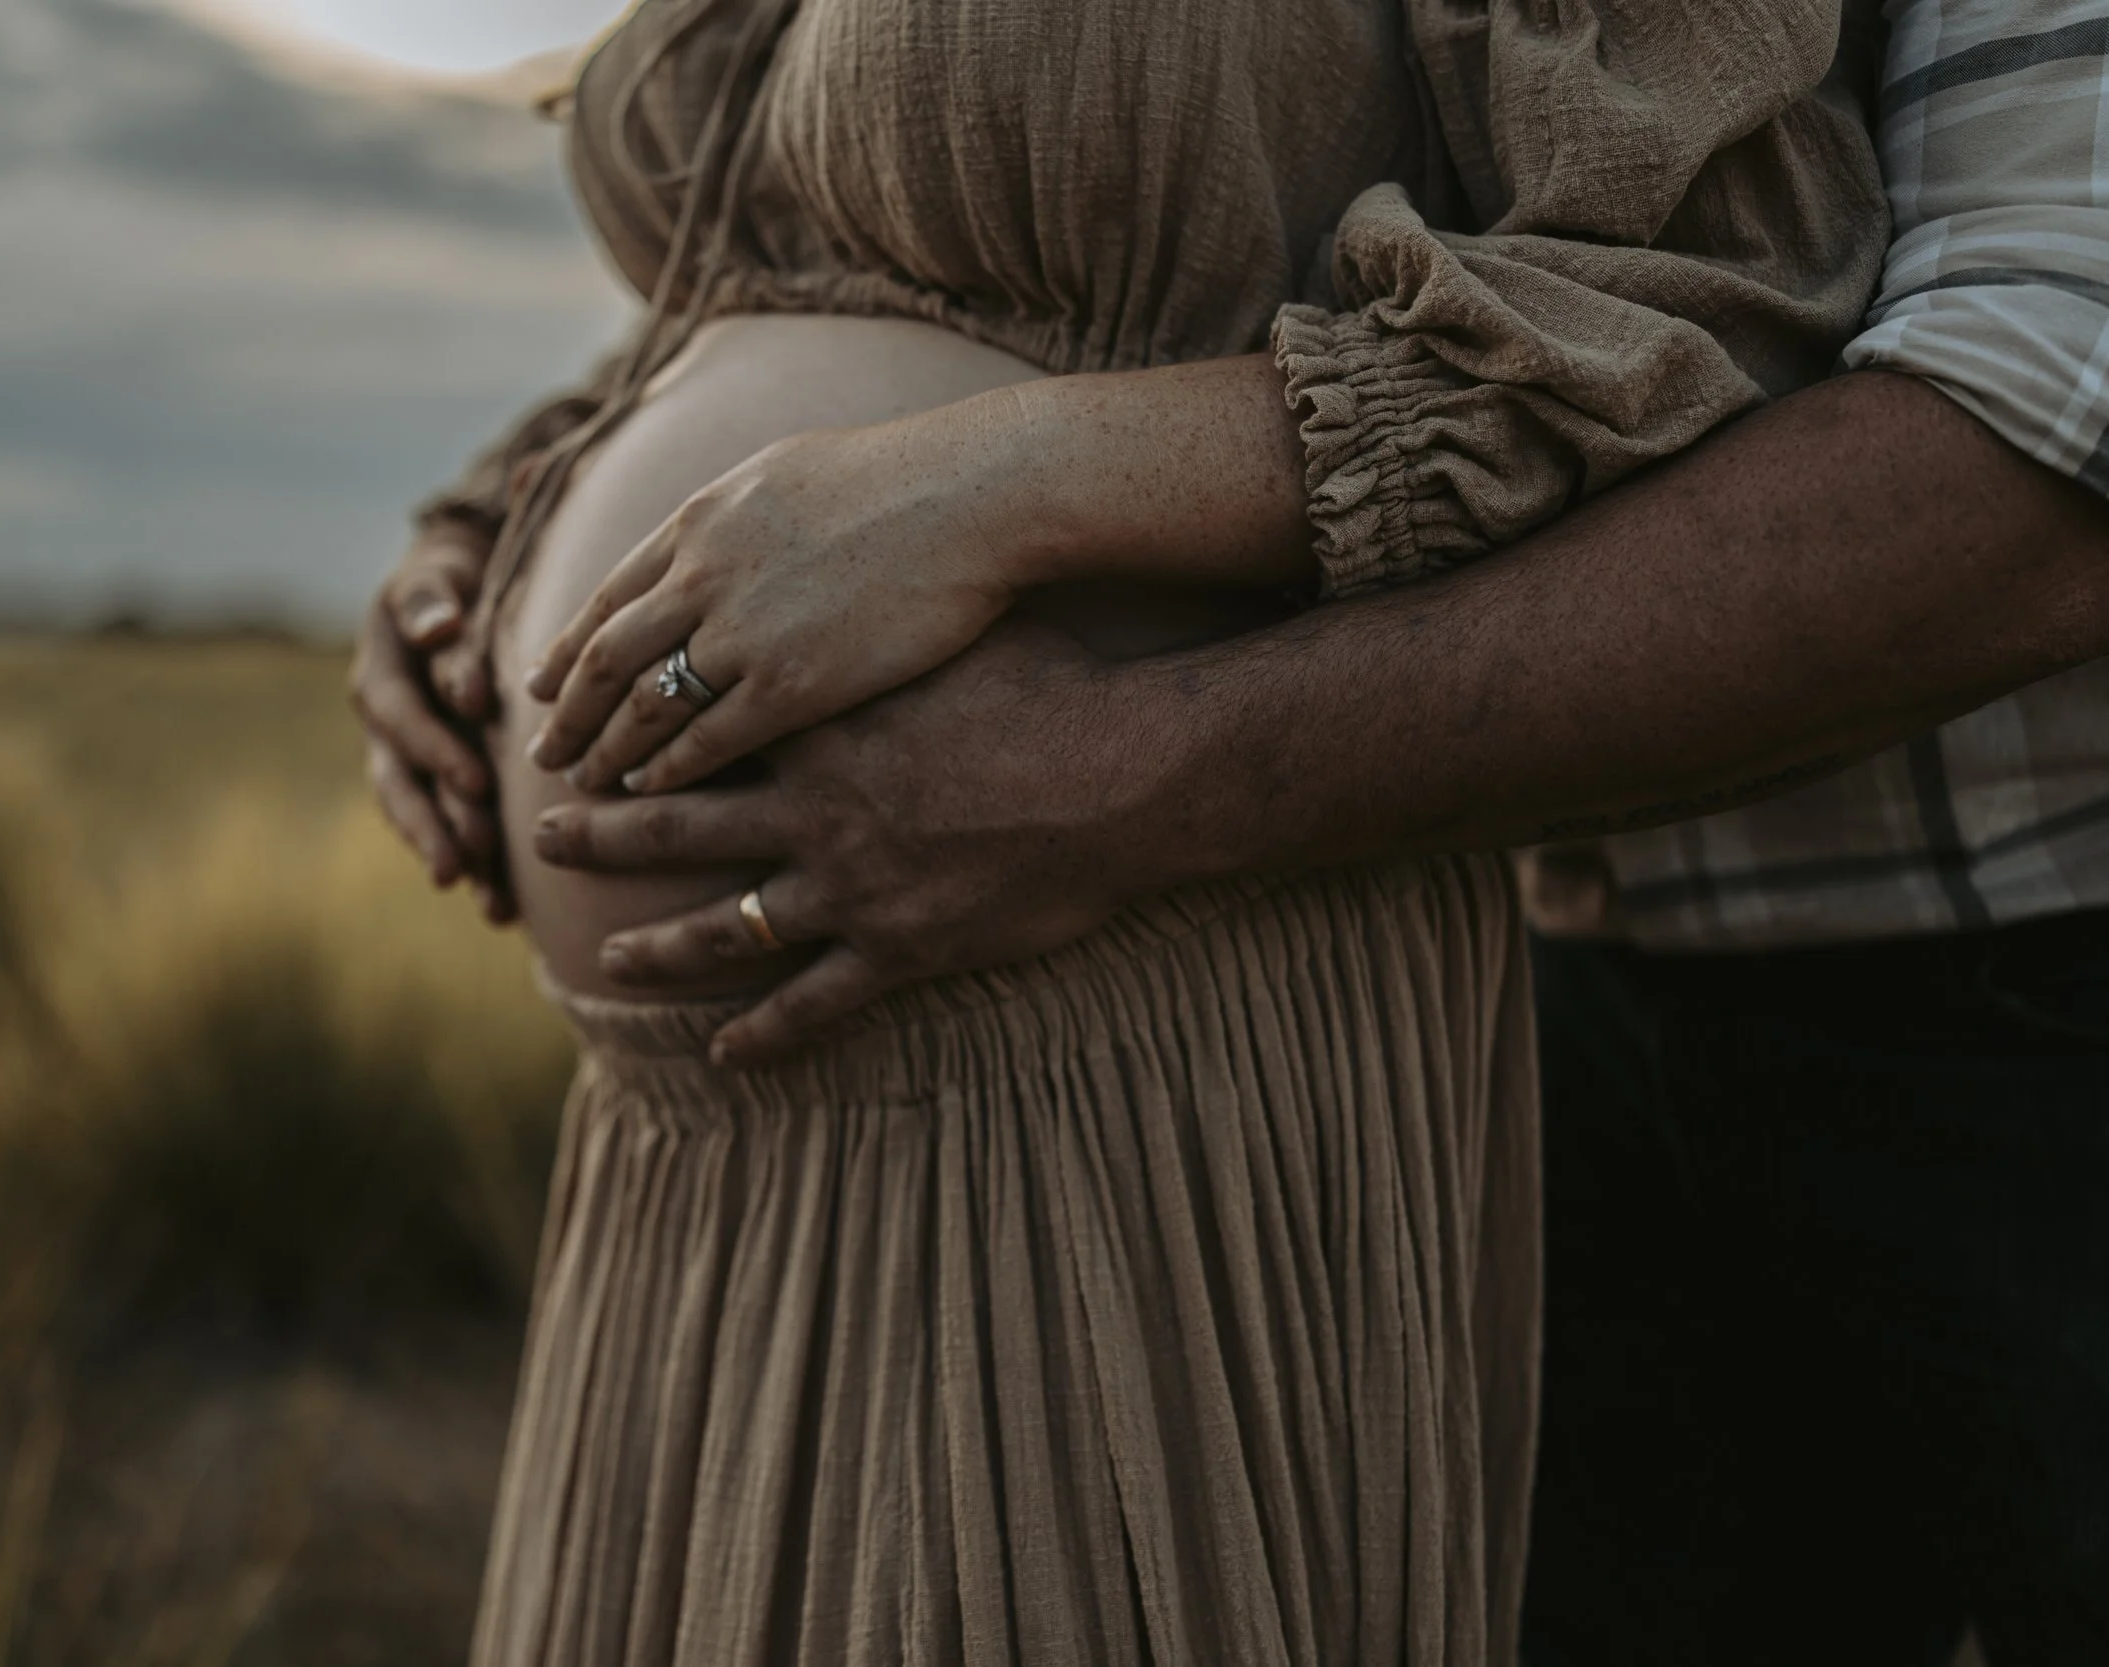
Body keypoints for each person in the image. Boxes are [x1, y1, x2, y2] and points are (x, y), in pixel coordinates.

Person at [360, 0, 2109, 1662]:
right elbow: (869, 244)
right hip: (1534, 968)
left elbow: (2033, 415)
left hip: (2017, 991)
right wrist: (527, 520)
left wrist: (1106, 724)